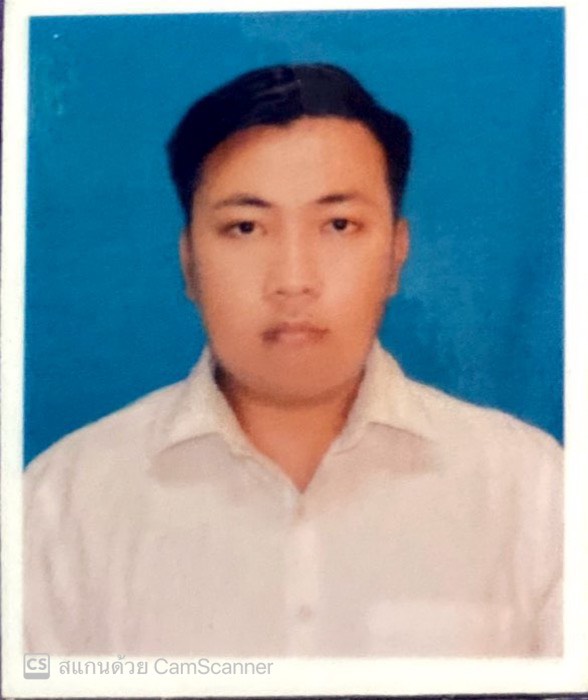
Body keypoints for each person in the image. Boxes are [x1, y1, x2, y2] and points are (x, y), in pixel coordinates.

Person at [24, 63, 562, 657]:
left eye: (338, 224)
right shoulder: (62, 503)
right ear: (188, 263)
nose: (293, 280)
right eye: (245, 227)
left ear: (396, 254)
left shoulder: (533, 488)